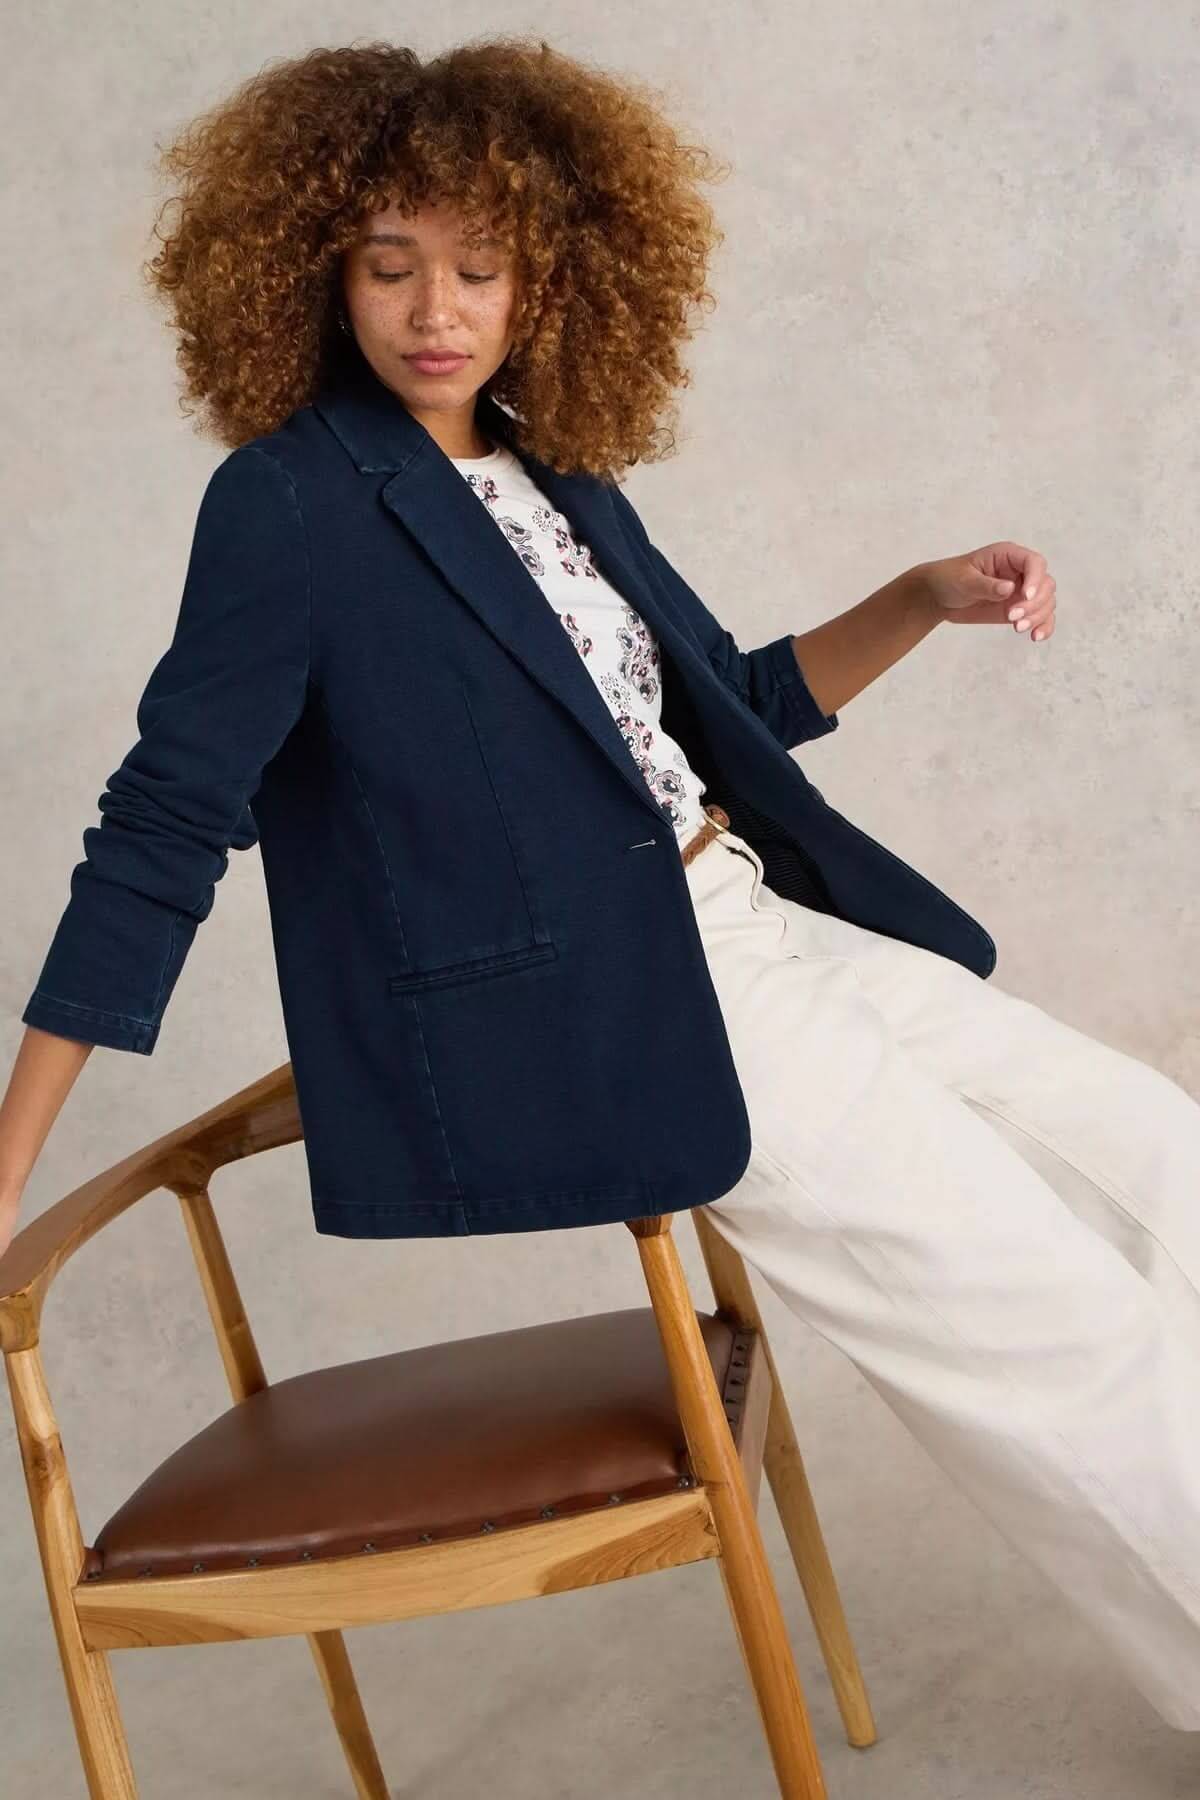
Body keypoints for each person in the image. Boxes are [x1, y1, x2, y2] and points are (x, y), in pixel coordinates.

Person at [2, 35, 1199, 1737]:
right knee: (1039, 1311)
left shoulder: (551, 469)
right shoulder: (287, 504)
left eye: (479, 268)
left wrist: (919, 598)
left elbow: (725, 714)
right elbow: (162, 825)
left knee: (1152, 1145)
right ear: (313, 268)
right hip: (634, 1000)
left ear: (545, 278)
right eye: (391, 265)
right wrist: (11, 1156)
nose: (437, 311)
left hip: (754, 920)